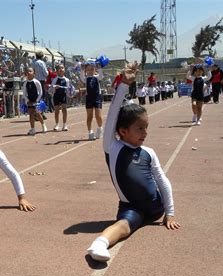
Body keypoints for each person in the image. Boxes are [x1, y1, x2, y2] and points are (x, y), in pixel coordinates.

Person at [87, 63, 180, 262]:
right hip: (132, 208)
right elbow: (112, 115)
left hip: (157, 208)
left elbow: (162, 181)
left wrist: (170, 213)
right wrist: (124, 85)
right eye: (139, 128)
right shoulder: (112, 148)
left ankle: (103, 241)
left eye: (146, 128)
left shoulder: (149, 152)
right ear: (122, 131)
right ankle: (99, 244)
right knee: (123, 226)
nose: (145, 133)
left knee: (140, 214)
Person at [80, 61, 104, 139]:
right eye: (88, 69)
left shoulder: (97, 77)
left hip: (97, 97)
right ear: (86, 70)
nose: (90, 71)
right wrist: (82, 70)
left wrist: (99, 68)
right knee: (89, 116)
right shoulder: (86, 78)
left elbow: (101, 76)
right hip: (89, 98)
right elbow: (82, 77)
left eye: (92, 69)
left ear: (95, 70)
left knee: (98, 116)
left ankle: (100, 128)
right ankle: (90, 131)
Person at [22, 67, 47, 135]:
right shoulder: (25, 83)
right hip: (30, 100)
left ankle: (43, 125)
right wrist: (27, 101)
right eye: (27, 71)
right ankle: (33, 129)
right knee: (31, 114)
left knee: (38, 113)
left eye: (30, 71)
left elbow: (41, 92)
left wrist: (37, 100)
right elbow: (24, 93)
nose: (28, 72)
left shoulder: (36, 82)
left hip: (37, 100)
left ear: (34, 74)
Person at [48, 64, 71, 131]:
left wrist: (70, 93)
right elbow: (51, 90)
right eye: (59, 68)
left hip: (63, 96)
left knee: (64, 110)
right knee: (57, 111)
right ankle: (57, 124)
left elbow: (68, 89)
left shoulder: (67, 80)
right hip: (56, 96)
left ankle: (64, 124)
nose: (61, 69)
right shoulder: (55, 80)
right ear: (57, 71)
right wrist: (55, 87)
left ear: (64, 70)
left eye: (62, 68)